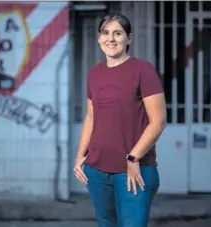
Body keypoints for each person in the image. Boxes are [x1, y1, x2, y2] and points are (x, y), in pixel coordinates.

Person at [73, 13, 167, 227]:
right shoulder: (94, 73)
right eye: (105, 33)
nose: (111, 39)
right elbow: (91, 116)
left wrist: (134, 157)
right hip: (96, 171)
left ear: (129, 39)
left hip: (134, 171)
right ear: (98, 38)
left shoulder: (143, 70)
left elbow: (159, 121)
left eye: (118, 33)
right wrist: (80, 155)